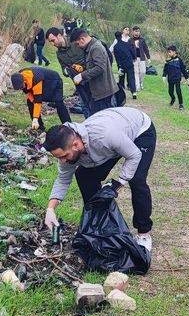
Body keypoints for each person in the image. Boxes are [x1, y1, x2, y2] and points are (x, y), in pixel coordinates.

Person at [43, 107, 157, 251]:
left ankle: (143, 233)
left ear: (76, 145)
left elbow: (134, 155)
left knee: (136, 179)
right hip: (113, 141)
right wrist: (50, 209)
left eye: (64, 156)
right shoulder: (68, 151)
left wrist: (119, 183)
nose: (63, 161)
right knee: (85, 176)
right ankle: (98, 225)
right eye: (59, 157)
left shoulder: (105, 137)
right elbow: (63, 179)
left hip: (139, 131)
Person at [70, 28, 119, 114]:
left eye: (77, 44)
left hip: (104, 94)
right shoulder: (90, 48)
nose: (78, 46)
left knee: (104, 121)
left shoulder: (96, 48)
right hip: (98, 93)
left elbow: (100, 68)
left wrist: (82, 76)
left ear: (82, 39)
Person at [47, 27, 92, 118]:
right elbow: (64, 69)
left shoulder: (75, 42)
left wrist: (83, 68)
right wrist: (67, 71)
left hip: (91, 78)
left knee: (96, 105)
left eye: (53, 40)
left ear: (59, 36)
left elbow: (90, 56)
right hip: (79, 84)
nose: (52, 44)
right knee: (85, 106)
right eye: (50, 42)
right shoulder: (59, 54)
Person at [10, 66, 71, 132]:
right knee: (30, 102)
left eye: (21, 87)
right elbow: (28, 92)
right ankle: (39, 127)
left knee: (59, 102)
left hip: (54, 81)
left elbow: (38, 101)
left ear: (24, 81)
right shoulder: (19, 77)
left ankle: (69, 126)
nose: (21, 88)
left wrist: (35, 118)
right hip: (44, 82)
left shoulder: (36, 79)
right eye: (19, 88)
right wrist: (32, 100)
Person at [163, 45, 189, 110]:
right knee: (170, 91)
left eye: (170, 52)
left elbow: (183, 69)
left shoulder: (179, 60)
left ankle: (181, 104)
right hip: (170, 78)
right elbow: (165, 69)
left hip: (177, 78)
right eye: (168, 52)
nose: (168, 53)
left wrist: (186, 77)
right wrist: (164, 75)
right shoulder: (168, 60)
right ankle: (173, 98)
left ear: (174, 52)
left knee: (178, 91)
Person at [113, 31, 137, 99]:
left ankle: (122, 92)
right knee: (131, 78)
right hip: (129, 63)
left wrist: (119, 66)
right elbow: (132, 51)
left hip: (122, 64)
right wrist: (134, 57)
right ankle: (134, 92)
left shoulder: (116, 47)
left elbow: (117, 58)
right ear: (121, 36)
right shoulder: (127, 44)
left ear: (116, 37)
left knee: (121, 78)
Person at [129, 26, 151, 92]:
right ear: (133, 32)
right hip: (134, 58)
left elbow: (146, 49)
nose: (137, 33)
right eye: (135, 31)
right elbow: (129, 49)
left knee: (143, 71)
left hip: (141, 58)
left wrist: (148, 57)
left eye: (138, 31)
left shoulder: (142, 40)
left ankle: (141, 83)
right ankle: (137, 86)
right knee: (136, 72)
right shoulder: (130, 40)